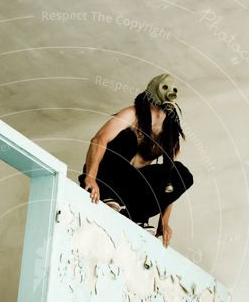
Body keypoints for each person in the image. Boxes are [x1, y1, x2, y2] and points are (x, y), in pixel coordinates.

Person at [78, 74, 193, 248]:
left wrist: (164, 221)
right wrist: (90, 178)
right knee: (128, 139)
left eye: (173, 90)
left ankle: (136, 215)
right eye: (165, 88)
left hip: (132, 190)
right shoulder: (132, 114)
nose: (170, 93)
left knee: (180, 173)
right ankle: (109, 196)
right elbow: (99, 140)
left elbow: (169, 182)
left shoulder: (168, 133)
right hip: (106, 179)